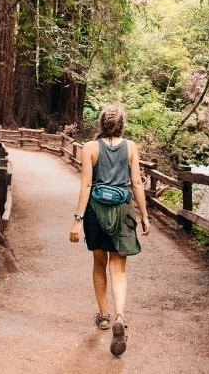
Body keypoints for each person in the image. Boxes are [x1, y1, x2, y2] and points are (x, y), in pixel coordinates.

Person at [69, 104, 151, 356]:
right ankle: (120, 315)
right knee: (119, 269)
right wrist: (144, 215)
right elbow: (136, 183)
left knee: (98, 263)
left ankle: (103, 316)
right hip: (123, 210)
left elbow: (86, 185)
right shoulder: (131, 147)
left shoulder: (90, 148)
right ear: (121, 124)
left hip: (95, 211)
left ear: (101, 123)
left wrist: (77, 219)